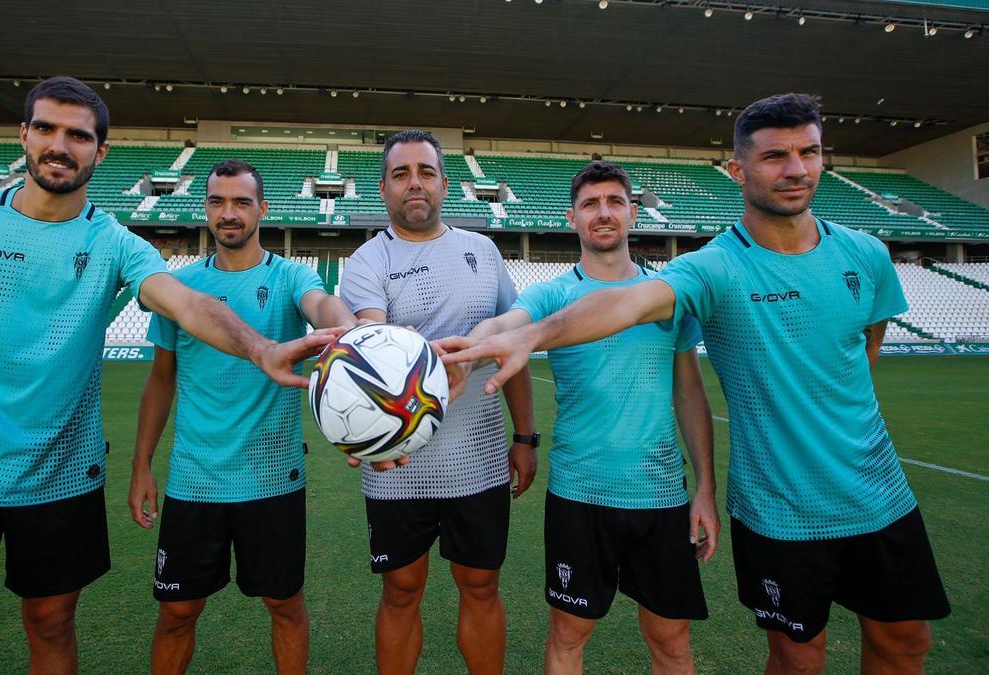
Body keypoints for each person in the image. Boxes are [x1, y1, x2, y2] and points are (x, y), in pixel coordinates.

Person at [436, 93, 949, 675]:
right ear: (737, 170)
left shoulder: (868, 254)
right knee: (798, 656)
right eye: (776, 155)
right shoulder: (709, 267)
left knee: (906, 642)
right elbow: (619, 304)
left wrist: (703, 485)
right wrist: (510, 338)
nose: (797, 169)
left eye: (809, 152)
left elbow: (865, 347)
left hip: (870, 492)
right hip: (753, 504)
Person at [0, 76, 339, 675]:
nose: (61, 145)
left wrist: (262, 349)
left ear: (99, 151)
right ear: (24, 135)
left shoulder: (116, 243)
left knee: (51, 625)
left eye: (78, 135)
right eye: (48, 129)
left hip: (59, 476)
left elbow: (184, 304)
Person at [449, 161, 717, 674]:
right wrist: (474, 348)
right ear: (572, 217)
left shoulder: (668, 298)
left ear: (633, 213)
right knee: (569, 636)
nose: (604, 213)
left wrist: (704, 487)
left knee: (672, 640)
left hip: (660, 493)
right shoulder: (552, 295)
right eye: (591, 204)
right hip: (579, 493)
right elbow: (509, 324)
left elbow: (689, 392)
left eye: (615, 201)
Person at [128, 159, 357, 674]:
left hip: (273, 480)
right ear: (205, 208)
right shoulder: (180, 288)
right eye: (217, 202)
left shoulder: (290, 276)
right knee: (177, 612)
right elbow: (161, 379)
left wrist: (349, 329)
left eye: (241, 202)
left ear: (263, 209)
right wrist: (142, 464)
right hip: (194, 481)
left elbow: (322, 304)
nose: (228, 214)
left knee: (285, 606)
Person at [338, 130, 537, 675]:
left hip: (480, 457)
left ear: (445, 183)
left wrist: (525, 437)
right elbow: (372, 346)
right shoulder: (365, 262)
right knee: (401, 590)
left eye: (425, 171)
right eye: (401, 174)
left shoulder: (484, 252)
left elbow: (512, 351)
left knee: (480, 585)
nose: (414, 183)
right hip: (396, 463)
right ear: (383, 188)